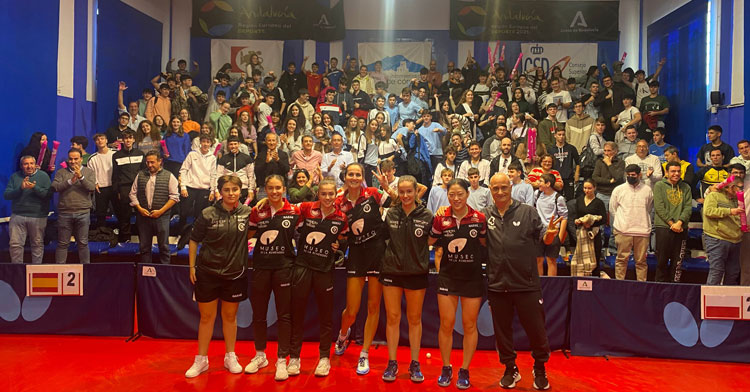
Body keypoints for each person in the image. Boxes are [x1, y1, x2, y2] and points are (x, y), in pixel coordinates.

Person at [483, 173, 557, 390]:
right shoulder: (485, 215)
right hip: (497, 285)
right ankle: (510, 369)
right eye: (495, 188)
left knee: (536, 330)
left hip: (526, 284)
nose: (500, 192)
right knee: (503, 332)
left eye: (504, 187)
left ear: (511, 187)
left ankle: (540, 368)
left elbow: (545, 236)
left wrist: (550, 235)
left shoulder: (527, 212)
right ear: (490, 189)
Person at [184, 175, 250, 378]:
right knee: (206, 317)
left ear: (240, 191)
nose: (231, 193)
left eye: (235, 189)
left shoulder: (248, 213)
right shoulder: (207, 213)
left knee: (230, 317)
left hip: (234, 273)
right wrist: (192, 267)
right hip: (207, 272)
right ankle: (201, 359)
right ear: (220, 192)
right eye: (227, 190)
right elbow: (194, 240)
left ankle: (230, 356)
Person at [334, 163, 395, 376]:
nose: (354, 177)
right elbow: (336, 229)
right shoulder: (338, 201)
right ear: (345, 176)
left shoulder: (373, 193)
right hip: (357, 255)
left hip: (377, 252)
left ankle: (365, 353)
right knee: (351, 310)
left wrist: (387, 188)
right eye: (350, 174)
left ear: (362, 177)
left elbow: (399, 201)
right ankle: (343, 335)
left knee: (373, 307)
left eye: (357, 174)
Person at [429, 178, 486, 389]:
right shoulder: (441, 219)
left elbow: (485, 243)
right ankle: (446, 367)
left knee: (470, 325)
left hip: (472, 278)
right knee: (446, 324)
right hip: (447, 277)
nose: (456, 198)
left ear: (467, 194)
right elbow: (429, 241)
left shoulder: (479, 219)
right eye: (451, 195)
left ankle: (465, 370)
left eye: (460, 194)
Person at [288, 179, 348, 377]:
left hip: (325, 269)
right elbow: (284, 205)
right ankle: (294, 357)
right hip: (303, 266)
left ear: (335, 195)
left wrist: (339, 246)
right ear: (318, 195)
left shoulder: (341, 218)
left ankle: (324, 358)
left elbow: (344, 239)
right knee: (297, 313)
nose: (328, 198)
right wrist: (261, 202)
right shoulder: (306, 208)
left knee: (325, 315)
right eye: (324, 194)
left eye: (331, 194)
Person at [244, 175, 301, 381]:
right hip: (261, 267)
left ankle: (281, 360)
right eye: (270, 188)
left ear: (284, 189)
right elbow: (247, 234)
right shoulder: (257, 211)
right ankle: (260, 355)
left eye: (278, 188)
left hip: (285, 268)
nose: (275, 192)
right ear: (265, 190)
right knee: (259, 314)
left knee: (284, 315)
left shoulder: (295, 211)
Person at [379, 175, 434, 383]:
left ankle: (414, 363)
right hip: (392, 271)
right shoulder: (391, 213)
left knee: (414, 319)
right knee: (393, 318)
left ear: (416, 191)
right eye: (401, 192)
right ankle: (392, 363)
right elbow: (384, 239)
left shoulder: (426, 215)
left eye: (409, 191)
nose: (405, 196)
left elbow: (432, 240)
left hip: (416, 273)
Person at [129, 151, 179, 264]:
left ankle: (165, 272)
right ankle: (146, 272)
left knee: (164, 247)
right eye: (147, 162)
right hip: (143, 217)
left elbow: (174, 197)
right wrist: (140, 209)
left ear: (160, 161)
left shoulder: (169, 176)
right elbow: (132, 194)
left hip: (162, 217)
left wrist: (160, 211)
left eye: (152, 162)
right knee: (144, 248)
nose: (149, 165)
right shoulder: (140, 174)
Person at [4, 156, 51, 264]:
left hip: (38, 216)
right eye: (26, 164)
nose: (29, 166)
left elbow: (48, 195)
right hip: (18, 216)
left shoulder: (43, 176)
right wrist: (20, 188)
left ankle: (36, 270)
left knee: (37, 244)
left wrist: (34, 188)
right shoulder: (15, 177)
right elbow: (7, 195)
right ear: (21, 166)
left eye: (31, 163)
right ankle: (17, 269)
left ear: (35, 165)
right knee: (15, 245)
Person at [610, 164, 653, 281]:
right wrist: (622, 223)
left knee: (641, 262)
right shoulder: (618, 190)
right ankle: (619, 284)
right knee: (621, 260)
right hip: (623, 230)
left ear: (639, 175)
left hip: (642, 230)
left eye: (633, 175)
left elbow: (648, 208)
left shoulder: (647, 190)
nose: (630, 177)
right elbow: (613, 209)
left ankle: (641, 286)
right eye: (628, 175)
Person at [52, 148, 95, 264]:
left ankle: (85, 269)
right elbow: (55, 187)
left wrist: (81, 177)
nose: (73, 161)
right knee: (62, 243)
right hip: (65, 212)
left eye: (76, 159)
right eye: (70, 159)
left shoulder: (89, 172)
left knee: (83, 243)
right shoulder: (61, 172)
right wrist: (70, 181)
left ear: (81, 159)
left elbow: (91, 187)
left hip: (83, 212)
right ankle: (59, 269)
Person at [653, 161, 693, 283]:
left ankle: (674, 288)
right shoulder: (659, 185)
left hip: (681, 228)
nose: (676, 174)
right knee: (662, 261)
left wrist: (679, 222)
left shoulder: (686, 187)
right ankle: (659, 287)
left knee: (678, 262)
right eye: (673, 171)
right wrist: (672, 224)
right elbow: (659, 207)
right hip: (664, 227)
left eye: (678, 171)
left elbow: (688, 207)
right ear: (667, 172)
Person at [176, 135, 217, 248]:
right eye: (203, 141)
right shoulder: (192, 154)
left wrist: (212, 190)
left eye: (207, 142)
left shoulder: (212, 158)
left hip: (204, 189)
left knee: (200, 215)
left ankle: (195, 237)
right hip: (189, 187)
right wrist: (183, 187)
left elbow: (214, 175)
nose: (205, 144)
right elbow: (183, 170)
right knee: (183, 212)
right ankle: (180, 235)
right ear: (200, 143)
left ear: (210, 144)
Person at [702, 177, 743, 285]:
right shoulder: (714, 195)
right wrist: (729, 211)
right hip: (717, 238)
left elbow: (739, 217)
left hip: (735, 240)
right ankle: (710, 299)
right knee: (717, 271)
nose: (741, 191)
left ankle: (727, 299)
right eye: (740, 187)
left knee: (733, 272)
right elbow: (708, 211)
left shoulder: (737, 201)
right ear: (732, 187)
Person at [112, 130, 145, 243]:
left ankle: (143, 239)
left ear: (134, 139)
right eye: (126, 138)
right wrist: (117, 191)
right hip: (124, 188)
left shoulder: (140, 153)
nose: (128, 140)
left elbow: (145, 171)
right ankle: (125, 239)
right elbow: (115, 175)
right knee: (124, 216)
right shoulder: (116, 156)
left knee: (141, 215)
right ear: (122, 140)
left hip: (139, 187)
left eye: (130, 138)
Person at [571, 179, 607, 276]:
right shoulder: (579, 200)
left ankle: (594, 280)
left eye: (589, 188)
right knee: (581, 257)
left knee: (595, 257)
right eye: (585, 188)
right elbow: (576, 215)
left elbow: (603, 219)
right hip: (582, 233)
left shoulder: (599, 202)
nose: (587, 190)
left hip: (594, 234)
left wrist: (591, 223)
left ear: (594, 188)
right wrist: (578, 221)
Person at [533, 174, 568, 276]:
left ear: (548, 184)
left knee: (551, 260)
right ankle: (539, 286)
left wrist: (560, 237)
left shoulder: (558, 198)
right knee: (538, 259)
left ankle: (551, 286)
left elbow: (564, 217)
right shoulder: (537, 194)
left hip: (553, 231)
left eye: (541, 181)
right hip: (539, 231)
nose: (538, 183)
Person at [212, 136, 255, 204]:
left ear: (239, 144)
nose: (233, 146)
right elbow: (218, 176)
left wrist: (251, 190)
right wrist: (216, 190)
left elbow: (251, 176)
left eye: (235, 144)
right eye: (231, 144)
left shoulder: (247, 158)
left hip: (243, 190)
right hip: (227, 190)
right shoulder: (223, 159)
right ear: (228, 145)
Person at [87, 134, 116, 229]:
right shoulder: (92, 158)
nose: (100, 141)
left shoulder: (115, 154)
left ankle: (121, 238)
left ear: (106, 140)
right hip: (100, 188)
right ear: (95, 143)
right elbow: (90, 174)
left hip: (114, 187)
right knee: (100, 214)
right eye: (97, 140)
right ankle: (101, 235)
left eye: (102, 138)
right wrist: (95, 183)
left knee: (120, 213)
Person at [547, 128, 580, 200]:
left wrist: (577, 174)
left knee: (570, 199)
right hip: (556, 178)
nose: (561, 136)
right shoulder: (550, 149)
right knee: (556, 198)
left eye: (563, 135)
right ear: (555, 135)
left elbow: (578, 162)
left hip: (568, 177)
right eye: (559, 135)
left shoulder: (571, 148)